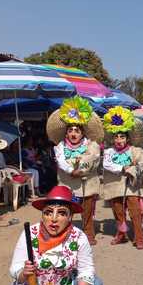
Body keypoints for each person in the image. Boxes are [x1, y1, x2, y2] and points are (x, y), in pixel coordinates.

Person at [8, 186, 103, 285]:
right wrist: (24, 274)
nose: (53, 219)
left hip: (64, 284)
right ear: (43, 215)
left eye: (61, 213)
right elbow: (15, 269)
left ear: (70, 217)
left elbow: (86, 269)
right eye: (48, 212)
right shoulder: (29, 234)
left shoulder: (78, 237)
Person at [47, 96, 104, 245]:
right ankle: (64, 234)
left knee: (87, 212)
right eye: (70, 130)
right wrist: (72, 171)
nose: (73, 133)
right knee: (65, 211)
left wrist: (81, 170)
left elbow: (92, 159)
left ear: (82, 133)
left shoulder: (92, 145)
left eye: (77, 131)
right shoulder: (60, 146)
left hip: (88, 185)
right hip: (67, 184)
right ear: (66, 133)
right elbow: (60, 161)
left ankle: (88, 235)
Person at [102, 106, 143, 248]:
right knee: (118, 212)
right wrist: (122, 168)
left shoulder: (136, 151)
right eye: (116, 136)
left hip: (131, 186)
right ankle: (121, 234)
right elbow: (106, 164)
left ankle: (139, 238)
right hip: (114, 186)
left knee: (135, 213)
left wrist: (133, 170)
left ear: (127, 138)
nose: (119, 139)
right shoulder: (109, 152)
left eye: (122, 136)